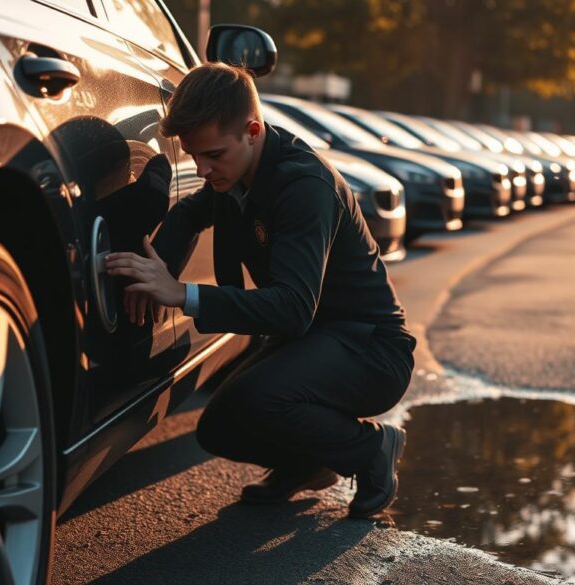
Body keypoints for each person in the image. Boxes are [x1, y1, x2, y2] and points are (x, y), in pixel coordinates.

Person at [104, 63, 415, 518]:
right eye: (193, 157)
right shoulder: (239, 169)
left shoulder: (303, 184)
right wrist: (155, 273)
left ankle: (371, 449)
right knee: (219, 429)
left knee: (258, 400)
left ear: (252, 131)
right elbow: (190, 215)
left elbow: (292, 309)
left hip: (371, 351)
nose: (202, 169)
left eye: (212, 155)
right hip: (314, 341)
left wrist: (181, 294)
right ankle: (306, 464)